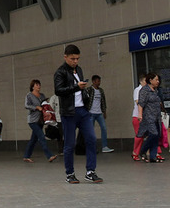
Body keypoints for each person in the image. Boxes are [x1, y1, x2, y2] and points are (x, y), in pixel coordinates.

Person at [53, 44, 102, 183]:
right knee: (69, 144)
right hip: (69, 112)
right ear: (65, 57)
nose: (75, 61)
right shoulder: (60, 72)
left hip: (83, 110)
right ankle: (70, 173)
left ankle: (90, 171)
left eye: (77, 59)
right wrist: (76, 87)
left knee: (91, 139)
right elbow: (58, 90)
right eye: (72, 58)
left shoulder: (79, 70)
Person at [23, 79, 57, 162]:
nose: (38, 86)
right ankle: (49, 155)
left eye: (39, 84)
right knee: (41, 136)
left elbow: (45, 105)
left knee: (33, 139)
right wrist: (36, 107)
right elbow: (27, 105)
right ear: (32, 86)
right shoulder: (29, 95)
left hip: (41, 120)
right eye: (36, 84)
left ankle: (26, 156)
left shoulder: (42, 95)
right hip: (32, 120)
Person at [135, 72, 163, 163]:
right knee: (154, 133)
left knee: (157, 136)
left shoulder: (156, 90)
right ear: (150, 80)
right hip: (148, 116)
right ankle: (143, 150)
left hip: (157, 116)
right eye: (156, 80)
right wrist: (140, 114)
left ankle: (153, 156)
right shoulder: (144, 90)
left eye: (158, 80)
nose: (158, 81)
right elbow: (141, 103)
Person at [88, 75, 113, 153]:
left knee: (104, 128)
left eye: (99, 81)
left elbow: (103, 102)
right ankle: (91, 147)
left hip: (99, 113)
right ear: (93, 81)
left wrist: (104, 111)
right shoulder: (89, 90)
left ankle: (104, 146)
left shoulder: (101, 90)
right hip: (91, 112)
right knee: (91, 130)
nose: (99, 83)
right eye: (98, 81)